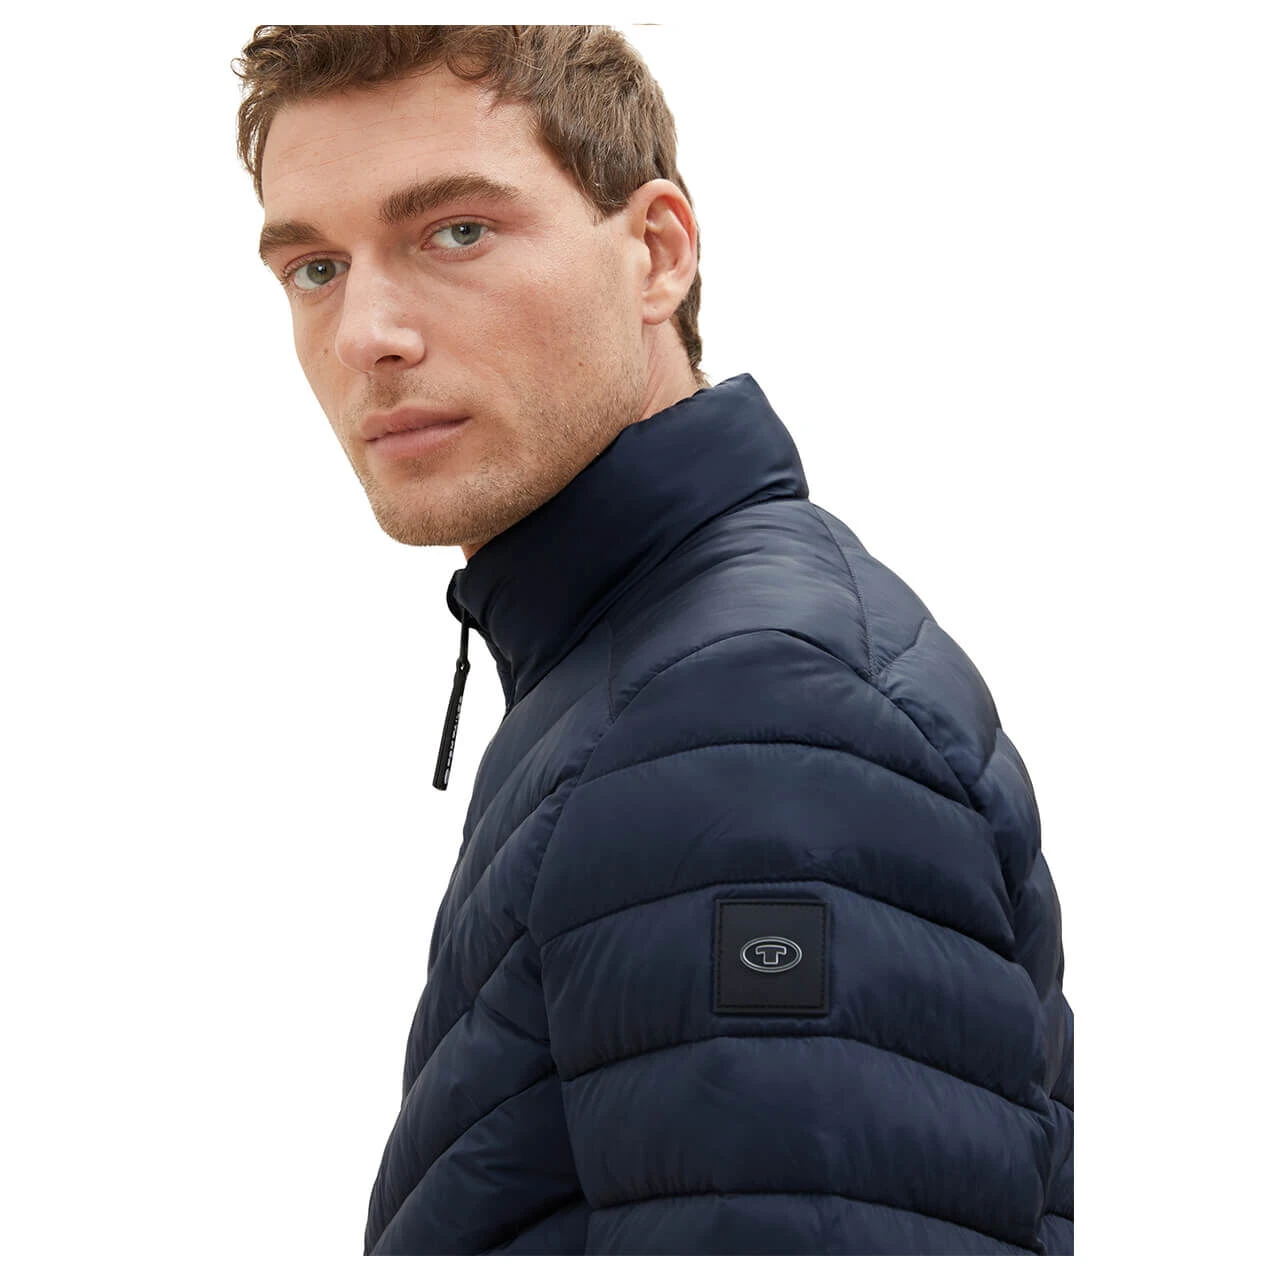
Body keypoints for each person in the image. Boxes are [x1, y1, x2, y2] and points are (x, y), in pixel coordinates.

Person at [233, 24, 1073, 1256]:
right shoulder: (645, 669)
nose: (367, 334)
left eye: (455, 232)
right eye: (314, 267)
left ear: (658, 254)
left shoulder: (747, 720)